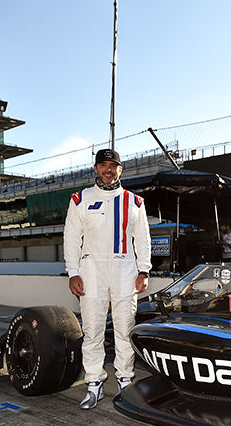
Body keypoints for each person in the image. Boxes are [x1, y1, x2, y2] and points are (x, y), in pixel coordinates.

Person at [64, 148, 151, 409]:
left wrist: (144, 270)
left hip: (125, 269)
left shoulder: (135, 202)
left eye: (113, 165)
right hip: (91, 269)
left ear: (120, 170)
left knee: (125, 328)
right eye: (103, 165)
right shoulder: (80, 199)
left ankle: (125, 380)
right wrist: (73, 272)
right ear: (96, 168)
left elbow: (143, 239)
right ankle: (94, 383)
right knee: (93, 330)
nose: (108, 170)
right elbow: (70, 237)